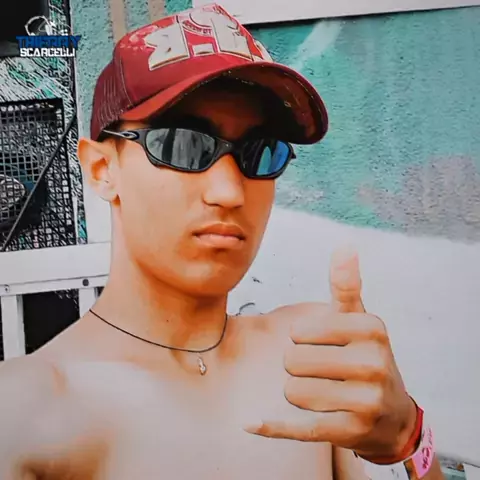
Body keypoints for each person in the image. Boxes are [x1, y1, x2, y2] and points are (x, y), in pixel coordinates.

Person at [0, 4, 443, 479]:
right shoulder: (26, 412)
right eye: (183, 145)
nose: (230, 192)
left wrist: (408, 437)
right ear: (102, 169)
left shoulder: (310, 359)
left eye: (260, 152)